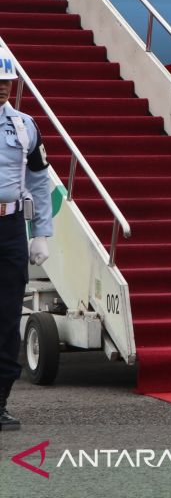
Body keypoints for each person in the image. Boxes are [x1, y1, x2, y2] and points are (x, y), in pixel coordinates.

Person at [0, 48, 53, 432]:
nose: (2, 88)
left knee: (5, 318)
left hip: (10, 227)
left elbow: (38, 179)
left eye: (7, 82)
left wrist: (42, 234)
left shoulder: (25, 126)